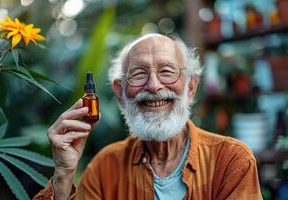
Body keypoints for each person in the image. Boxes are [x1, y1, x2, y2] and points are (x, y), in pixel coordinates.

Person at [33, 33, 262, 200]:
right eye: (139, 73)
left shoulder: (231, 161)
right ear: (120, 92)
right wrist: (63, 175)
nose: (153, 85)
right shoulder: (105, 168)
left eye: (167, 71)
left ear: (190, 88)